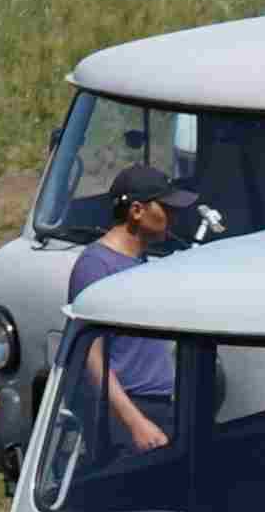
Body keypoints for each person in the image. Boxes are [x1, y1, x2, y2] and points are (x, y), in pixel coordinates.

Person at [79, 171, 193, 451]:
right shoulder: (96, 266)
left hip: (159, 406)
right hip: (129, 413)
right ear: (137, 211)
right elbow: (91, 357)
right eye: (166, 209)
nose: (173, 218)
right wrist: (135, 423)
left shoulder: (139, 261)